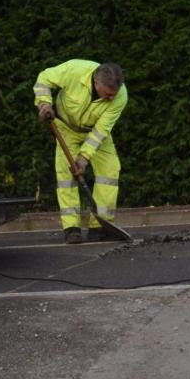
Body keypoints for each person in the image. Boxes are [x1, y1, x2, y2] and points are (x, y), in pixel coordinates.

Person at [34, 60, 127, 243]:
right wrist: (44, 103)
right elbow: (43, 78)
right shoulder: (75, 70)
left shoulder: (121, 96)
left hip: (95, 132)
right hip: (66, 128)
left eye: (113, 95)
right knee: (65, 178)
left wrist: (83, 158)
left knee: (109, 171)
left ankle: (99, 226)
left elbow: (101, 130)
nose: (110, 98)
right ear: (96, 83)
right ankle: (72, 228)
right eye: (107, 94)